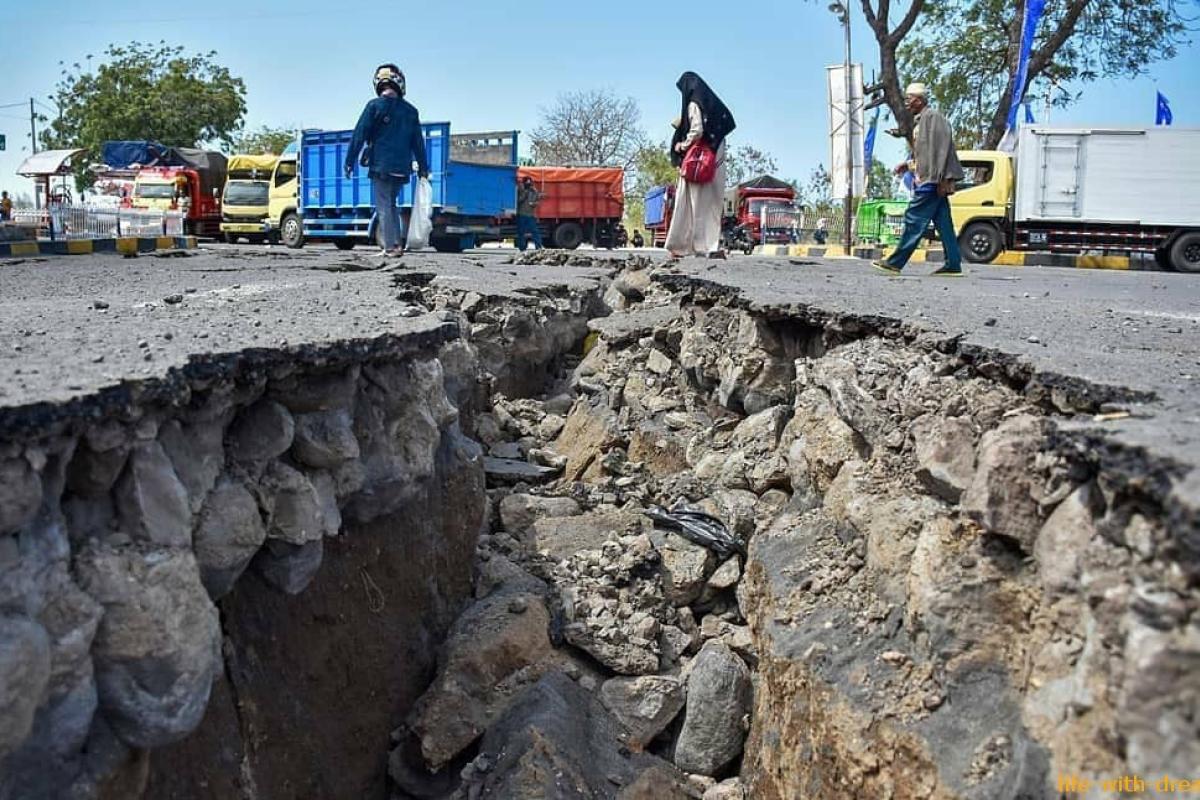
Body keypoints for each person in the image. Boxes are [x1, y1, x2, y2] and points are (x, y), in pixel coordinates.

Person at [873, 83, 965, 277]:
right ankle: (953, 264)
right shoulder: (921, 120)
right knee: (944, 224)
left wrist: (940, 178)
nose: (907, 102)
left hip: (931, 180)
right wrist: (908, 165)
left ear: (920, 100)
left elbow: (942, 148)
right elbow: (924, 153)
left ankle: (895, 262)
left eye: (909, 98)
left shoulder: (933, 117)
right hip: (930, 178)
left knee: (914, 218)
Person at [346, 63, 430, 258]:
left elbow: (359, 135)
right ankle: (396, 245)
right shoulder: (411, 111)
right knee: (392, 204)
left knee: (384, 205)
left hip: (381, 166)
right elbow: (418, 142)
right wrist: (423, 168)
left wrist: (349, 161)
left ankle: (391, 247)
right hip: (402, 168)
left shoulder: (374, 106)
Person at [664, 72, 736, 258]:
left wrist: (683, 145)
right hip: (713, 162)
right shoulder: (712, 107)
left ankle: (684, 245)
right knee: (710, 204)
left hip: (697, 164)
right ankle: (708, 244)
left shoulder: (694, 104)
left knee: (690, 203)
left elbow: (696, 130)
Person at [515, 176, 544, 251]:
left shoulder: (534, 191)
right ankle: (522, 248)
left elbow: (537, 200)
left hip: (530, 215)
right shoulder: (520, 190)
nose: (528, 185)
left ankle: (538, 247)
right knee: (521, 232)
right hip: (521, 214)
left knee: (535, 231)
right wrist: (525, 194)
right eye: (527, 183)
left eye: (530, 183)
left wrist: (534, 204)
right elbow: (517, 201)